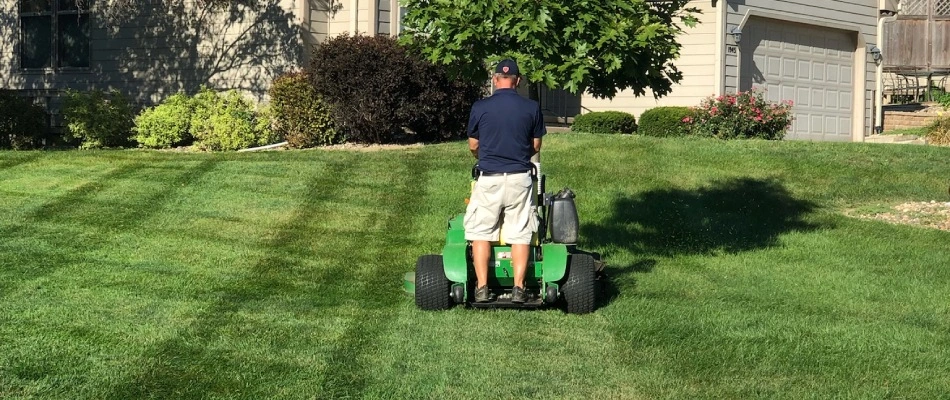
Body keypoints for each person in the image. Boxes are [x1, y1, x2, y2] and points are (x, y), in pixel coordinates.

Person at [463, 59, 545, 303]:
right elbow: (536, 144)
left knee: (481, 231)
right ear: (518, 81)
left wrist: (484, 154)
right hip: (520, 178)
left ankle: (482, 287)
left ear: (495, 79)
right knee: (520, 232)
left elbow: (473, 144)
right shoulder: (531, 108)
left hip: (489, 178)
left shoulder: (480, 107)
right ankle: (519, 289)